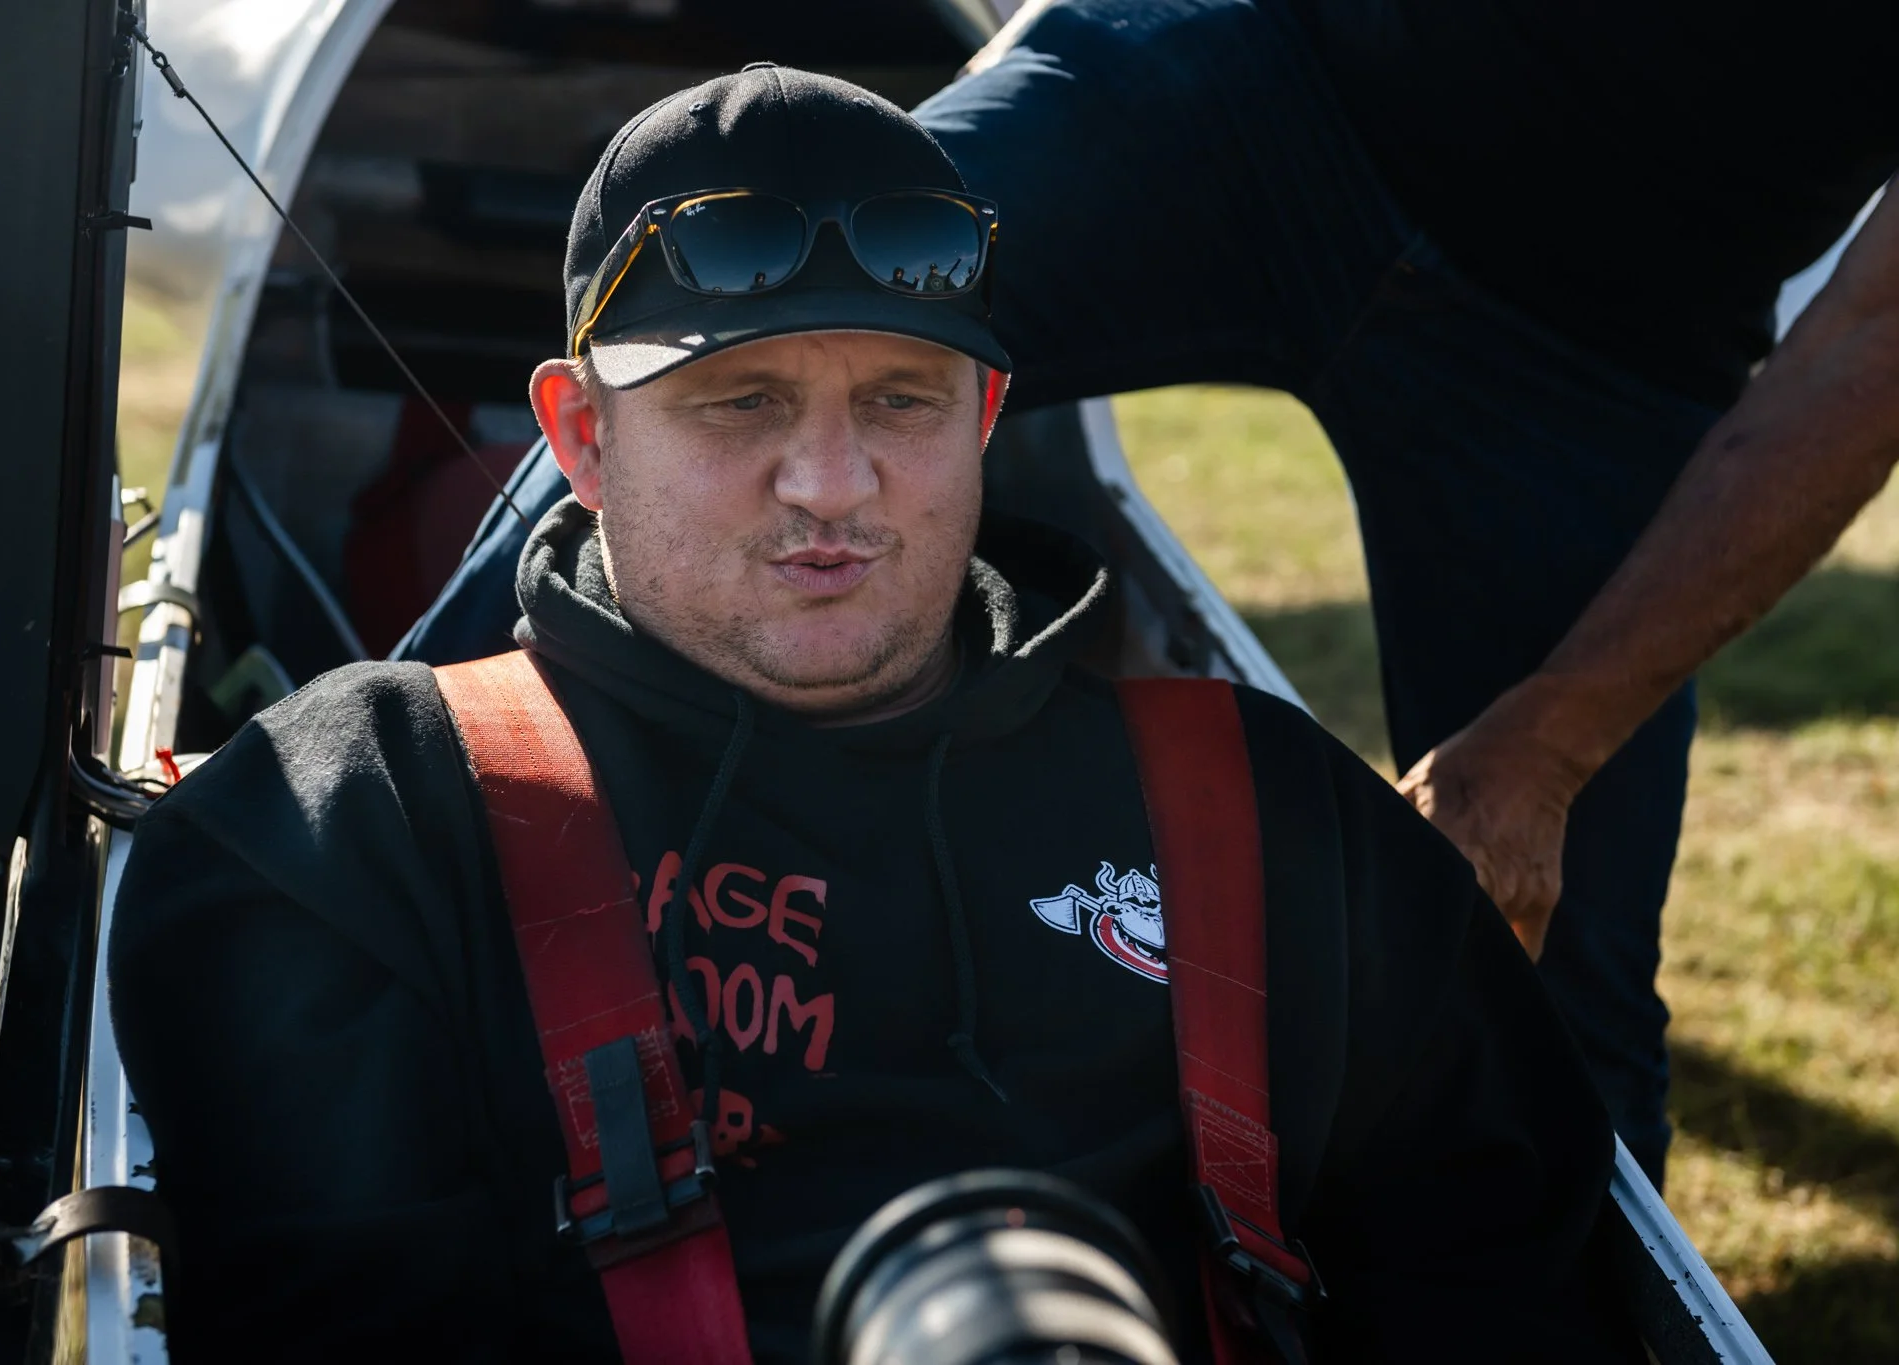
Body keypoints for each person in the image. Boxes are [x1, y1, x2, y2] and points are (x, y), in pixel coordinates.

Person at [110, 67, 1633, 1361]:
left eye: (902, 399)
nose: (832, 486)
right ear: (580, 435)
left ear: (984, 416)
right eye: (741, 400)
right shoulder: (361, 830)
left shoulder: (1272, 821)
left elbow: (1508, 1298)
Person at [412, 1, 1899, 1185]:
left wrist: (1552, 743)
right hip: (1253, 69)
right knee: (717, 309)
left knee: (1559, 1024)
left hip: (1608, 341)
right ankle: (356, 833)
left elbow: (1873, 345)